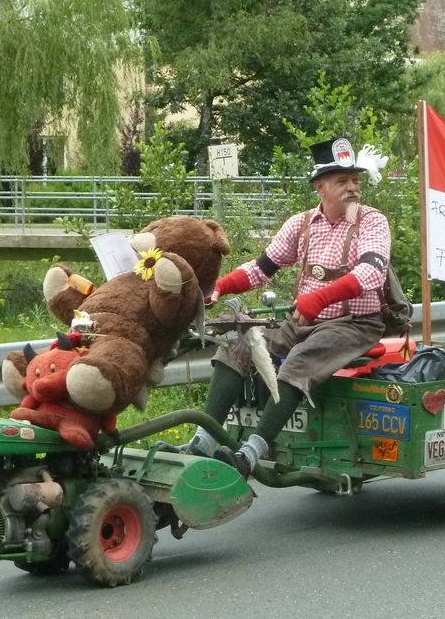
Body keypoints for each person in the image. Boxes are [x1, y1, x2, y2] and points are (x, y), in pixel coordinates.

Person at [168, 136, 392, 478]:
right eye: (342, 181)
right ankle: (203, 442)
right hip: (303, 321)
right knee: (238, 340)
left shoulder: (372, 222)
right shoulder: (300, 224)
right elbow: (261, 269)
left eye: (355, 181)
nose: (353, 188)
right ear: (320, 187)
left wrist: (320, 298)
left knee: (299, 361)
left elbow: (372, 273)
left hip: (355, 324)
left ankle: (249, 455)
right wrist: (219, 289)